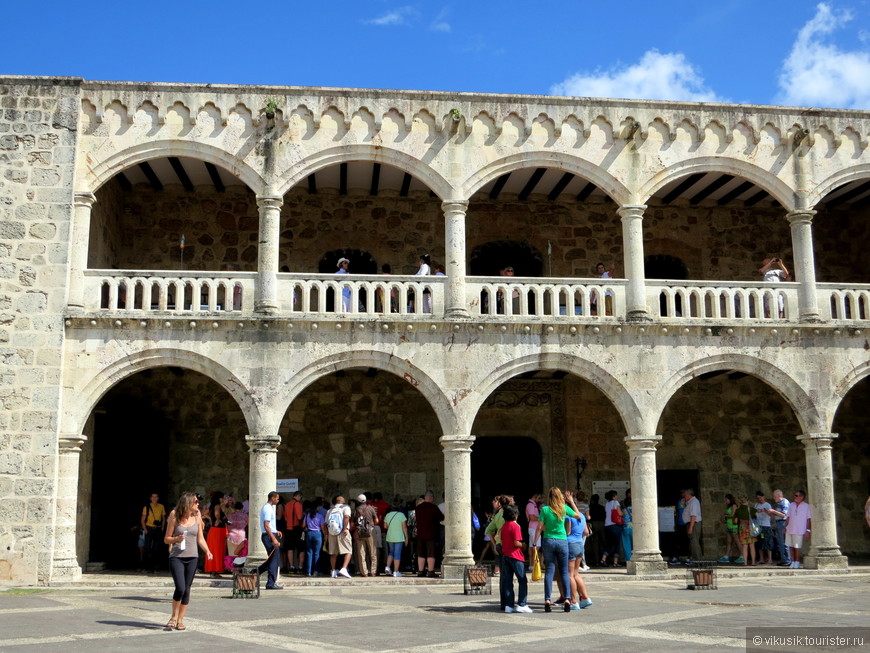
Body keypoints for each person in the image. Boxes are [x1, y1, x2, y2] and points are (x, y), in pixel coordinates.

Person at [164, 492, 212, 631]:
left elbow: (200, 538)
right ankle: (173, 616)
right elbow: (166, 538)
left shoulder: (197, 517)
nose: (198, 504)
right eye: (196, 502)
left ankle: (180, 620)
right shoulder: (174, 515)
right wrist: (175, 539)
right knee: (180, 587)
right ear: (188, 503)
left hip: (192, 556)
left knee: (187, 589)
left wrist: (207, 551)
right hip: (177, 557)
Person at [533, 487, 576, 613]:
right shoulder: (563, 508)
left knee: (550, 571)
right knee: (564, 571)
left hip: (549, 541)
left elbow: (539, 527)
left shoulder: (545, 509)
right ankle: (567, 599)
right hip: (562, 541)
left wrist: (535, 542)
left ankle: (547, 599)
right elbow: (577, 515)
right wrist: (572, 502)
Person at [499, 505, 533, 613]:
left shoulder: (504, 526)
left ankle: (509, 605)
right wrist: (523, 545)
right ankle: (522, 603)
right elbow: (516, 542)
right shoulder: (516, 526)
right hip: (516, 556)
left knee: (508, 581)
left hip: (506, 555)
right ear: (515, 515)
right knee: (522, 580)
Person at [565, 497, 593, 610]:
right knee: (576, 574)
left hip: (570, 544)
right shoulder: (581, 516)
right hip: (579, 545)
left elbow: (568, 531)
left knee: (570, 574)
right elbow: (586, 532)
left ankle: (574, 601)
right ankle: (585, 598)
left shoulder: (568, 516)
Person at [414, 490, 444, 577]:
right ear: (431, 498)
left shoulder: (418, 508)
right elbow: (441, 517)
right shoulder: (433, 507)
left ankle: (420, 571)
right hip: (431, 533)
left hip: (420, 534)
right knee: (431, 553)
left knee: (421, 553)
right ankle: (430, 571)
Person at [258, 491, 283, 589]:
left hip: (270, 534)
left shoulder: (269, 508)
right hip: (269, 536)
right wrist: (274, 539)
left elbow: (270, 526)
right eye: (277, 498)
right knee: (274, 560)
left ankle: (255, 572)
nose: (278, 500)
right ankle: (271, 583)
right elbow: (266, 526)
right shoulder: (267, 509)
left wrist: (276, 531)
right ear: (272, 498)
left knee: (272, 559)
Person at [325, 495, 353, 578]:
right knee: (348, 551)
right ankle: (344, 569)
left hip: (332, 533)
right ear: (343, 501)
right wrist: (345, 529)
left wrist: (326, 534)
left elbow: (325, 523)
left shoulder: (330, 510)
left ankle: (333, 571)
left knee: (333, 553)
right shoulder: (346, 507)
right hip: (342, 532)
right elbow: (346, 517)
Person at [785, 490, 812, 569]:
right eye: (795, 495)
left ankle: (797, 562)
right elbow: (788, 517)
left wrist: (808, 530)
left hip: (799, 529)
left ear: (801, 497)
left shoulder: (806, 506)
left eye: (797, 496)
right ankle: (793, 561)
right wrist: (785, 527)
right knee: (791, 546)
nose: (795, 497)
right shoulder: (791, 505)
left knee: (797, 546)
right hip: (790, 528)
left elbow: (809, 519)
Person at [355, 493, 379, 577]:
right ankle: (373, 571)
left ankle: (364, 572)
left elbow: (353, 523)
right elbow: (376, 521)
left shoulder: (356, 510)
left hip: (360, 533)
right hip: (370, 531)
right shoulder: (371, 508)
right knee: (373, 552)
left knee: (361, 553)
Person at [141, 493, 166, 573]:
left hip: (158, 529)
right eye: (153, 497)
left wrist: (162, 527)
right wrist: (145, 529)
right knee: (147, 548)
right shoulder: (147, 507)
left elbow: (163, 518)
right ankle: (145, 567)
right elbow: (143, 519)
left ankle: (155, 567)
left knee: (157, 548)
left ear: (158, 498)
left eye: (156, 497)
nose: (155, 498)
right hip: (149, 528)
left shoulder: (161, 506)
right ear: (150, 498)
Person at [384, 497, 408, 577]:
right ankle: (396, 571)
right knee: (397, 553)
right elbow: (404, 527)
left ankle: (387, 567)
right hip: (399, 537)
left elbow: (385, 526)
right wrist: (406, 537)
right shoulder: (401, 515)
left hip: (390, 536)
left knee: (391, 552)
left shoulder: (387, 515)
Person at [204, 492, 227, 577]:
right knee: (217, 550)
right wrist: (217, 519)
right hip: (218, 530)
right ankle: (214, 570)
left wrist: (211, 519)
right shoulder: (217, 506)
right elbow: (217, 513)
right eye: (222, 497)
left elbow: (204, 513)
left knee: (215, 549)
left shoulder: (212, 506)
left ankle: (214, 570)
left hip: (215, 530)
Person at [600, 490, 623, 567]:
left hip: (607, 525)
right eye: (616, 495)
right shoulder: (615, 502)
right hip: (615, 525)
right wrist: (623, 513)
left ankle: (603, 559)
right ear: (613, 496)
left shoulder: (607, 504)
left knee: (609, 544)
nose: (616, 497)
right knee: (616, 544)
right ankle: (615, 562)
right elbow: (619, 513)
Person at [734, 494, 758, 566]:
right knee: (752, 545)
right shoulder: (751, 509)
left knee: (744, 546)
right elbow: (755, 517)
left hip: (742, 528)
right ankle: (753, 562)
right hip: (750, 528)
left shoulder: (738, 510)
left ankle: (745, 563)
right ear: (747, 501)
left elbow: (735, 521)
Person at [769, 489, 791, 566]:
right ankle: (783, 559)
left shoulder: (784, 502)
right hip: (779, 523)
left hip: (783, 523)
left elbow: (784, 515)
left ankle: (787, 560)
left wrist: (774, 511)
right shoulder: (779, 503)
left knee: (784, 542)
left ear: (779, 495)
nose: (774, 498)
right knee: (780, 542)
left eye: (775, 496)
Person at [284, 491, 304, 574]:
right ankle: (300, 567)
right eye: (301, 497)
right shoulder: (298, 504)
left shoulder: (287, 504)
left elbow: (285, 518)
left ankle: (291, 566)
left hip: (288, 528)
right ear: (298, 496)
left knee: (290, 548)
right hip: (296, 528)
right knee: (301, 549)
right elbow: (299, 517)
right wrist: (304, 515)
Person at [302, 501, 324, 576]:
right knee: (316, 553)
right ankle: (315, 570)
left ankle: (308, 571)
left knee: (309, 552)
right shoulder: (320, 516)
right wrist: (325, 535)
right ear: (317, 508)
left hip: (309, 533)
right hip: (317, 533)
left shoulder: (307, 515)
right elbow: (322, 526)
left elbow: (303, 525)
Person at [718, 494, 741, 563]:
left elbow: (732, 515)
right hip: (729, 526)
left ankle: (742, 555)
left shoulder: (734, 506)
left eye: (726, 499)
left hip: (733, 527)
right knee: (728, 542)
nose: (725, 501)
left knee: (737, 542)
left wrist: (725, 516)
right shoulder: (729, 507)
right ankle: (726, 556)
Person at [683, 488, 703, 564]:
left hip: (694, 524)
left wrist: (691, 527)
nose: (684, 496)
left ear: (688, 495)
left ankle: (698, 561)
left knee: (694, 542)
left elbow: (693, 515)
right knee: (692, 542)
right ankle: (695, 559)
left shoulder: (694, 502)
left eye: (685, 495)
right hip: (692, 523)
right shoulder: (690, 502)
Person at [754, 491, 774, 565]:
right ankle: (761, 558)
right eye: (758, 498)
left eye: (761, 497)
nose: (760, 499)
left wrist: (763, 510)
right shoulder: (756, 505)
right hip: (758, 525)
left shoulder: (767, 505)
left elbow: (770, 514)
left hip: (766, 525)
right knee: (760, 543)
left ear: (763, 497)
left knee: (768, 542)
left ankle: (770, 559)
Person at [588, 494, 605, 566]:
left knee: (595, 543)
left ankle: (596, 560)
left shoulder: (590, 507)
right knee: (603, 543)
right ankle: (603, 559)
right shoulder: (601, 507)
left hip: (593, 524)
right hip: (601, 524)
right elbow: (604, 516)